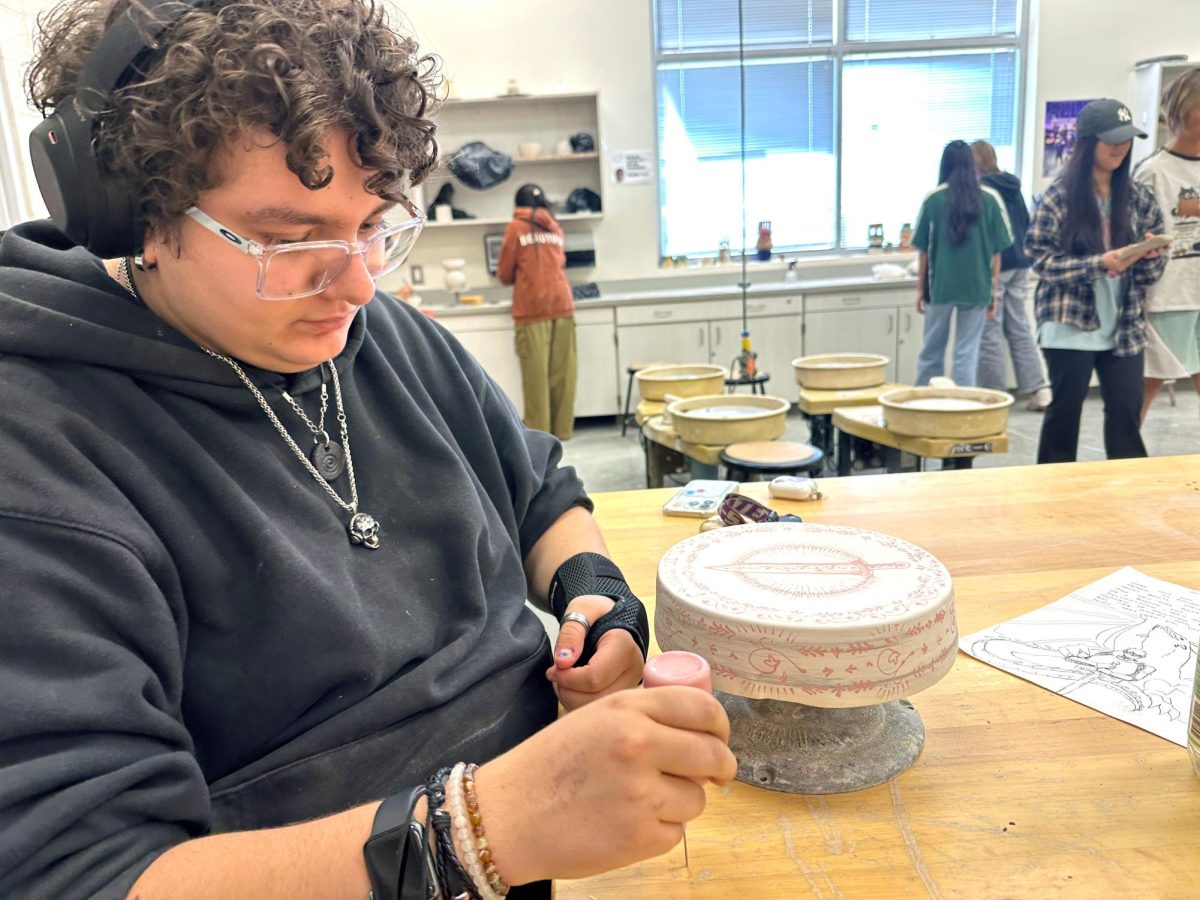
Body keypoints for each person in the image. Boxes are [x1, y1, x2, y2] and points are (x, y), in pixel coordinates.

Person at [0, 3, 737, 898]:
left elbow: (540, 489)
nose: (354, 283)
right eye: (286, 238)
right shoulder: (37, 447)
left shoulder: (373, 331)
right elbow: (80, 875)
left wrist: (596, 597)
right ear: (135, 214)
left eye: (373, 224)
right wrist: (478, 829)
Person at [1026, 98, 1169, 464]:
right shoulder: (1059, 197)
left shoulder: (1138, 197)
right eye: (1112, 141)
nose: (1120, 148)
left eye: (1126, 140)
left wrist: (1149, 256)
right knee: (1064, 416)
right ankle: (1053, 491)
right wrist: (1097, 264)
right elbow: (1040, 260)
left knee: (1125, 414)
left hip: (1124, 326)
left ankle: (1127, 494)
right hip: (1069, 325)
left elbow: (1153, 271)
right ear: (1088, 143)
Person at [912, 140, 1013, 387]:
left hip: (940, 287)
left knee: (931, 351)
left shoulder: (933, 200)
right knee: (966, 353)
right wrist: (993, 293)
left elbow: (924, 250)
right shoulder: (990, 200)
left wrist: (920, 289)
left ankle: (923, 406)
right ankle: (961, 411)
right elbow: (997, 253)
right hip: (976, 286)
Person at [1134, 68, 1200, 423]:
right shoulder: (1153, 171)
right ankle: (1122, 459)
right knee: (1148, 382)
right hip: (1168, 294)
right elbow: (1134, 241)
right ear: (1179, 110)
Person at [970, 140, 1052, 410]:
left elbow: (983, 235)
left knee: (989, 329)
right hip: (1021, 261)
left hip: (997, 264)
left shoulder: (982, 192)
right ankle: (1039, 390)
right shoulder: (1013, 187)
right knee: (1019, 327)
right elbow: (1027, 225)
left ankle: (994, 396)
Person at [497, 183, 577, 440]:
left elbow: (505, 274)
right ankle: (563, 430)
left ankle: (541, 439)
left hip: (532, 308)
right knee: (563, 373)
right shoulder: (555, 227)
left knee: (536, 377)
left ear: (517, 205)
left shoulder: (516, 229)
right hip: (563, 304)